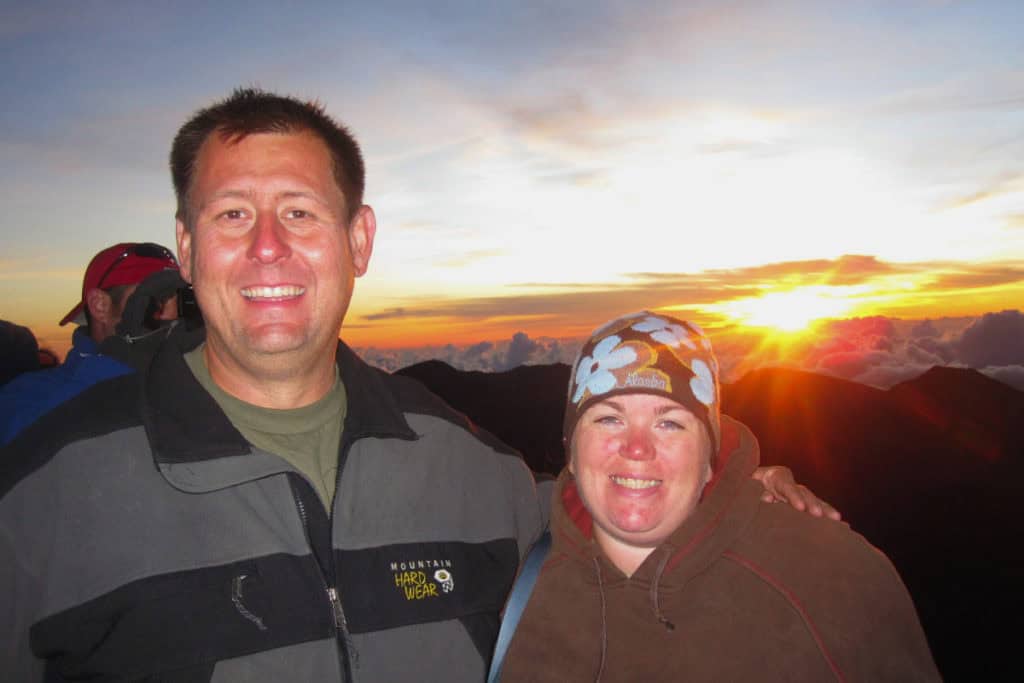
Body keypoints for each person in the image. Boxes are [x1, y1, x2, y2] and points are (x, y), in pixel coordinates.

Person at [1, 89, 834, 681]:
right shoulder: (43, 495)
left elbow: (613, 498)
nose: (266, 249)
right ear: (184, 248)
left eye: (299, 211)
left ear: (359, 240)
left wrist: (736, 483)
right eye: (230, 215)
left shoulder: (466, 467)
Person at [497, 311, 940, 682]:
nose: (636, 448)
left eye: (669, 422)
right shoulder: (519, 579)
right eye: (609, 419)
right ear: (570, 451)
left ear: (711, 455)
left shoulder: (833, 580)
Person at [0, 243, 181, 444]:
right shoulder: (27, 400)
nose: (173, 316)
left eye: (180, 301)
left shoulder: (186, 378)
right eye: (157, 301)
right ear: (100, 306)